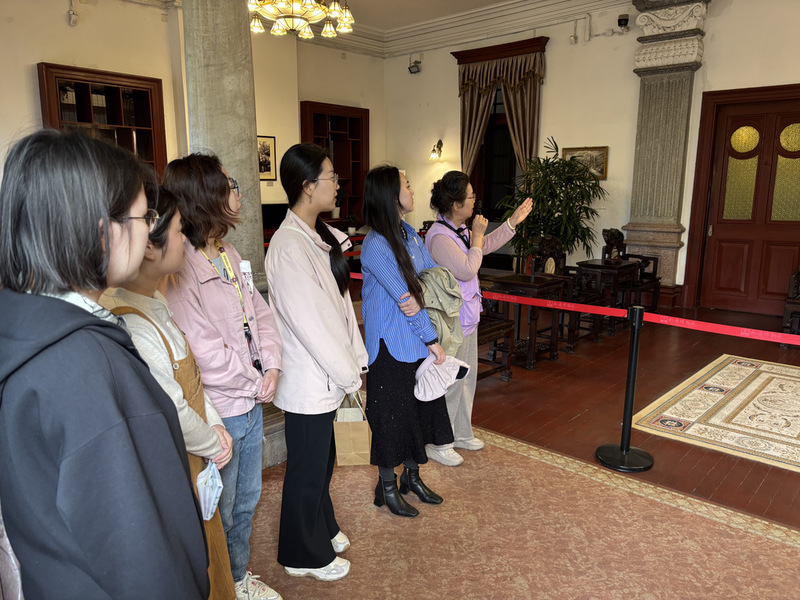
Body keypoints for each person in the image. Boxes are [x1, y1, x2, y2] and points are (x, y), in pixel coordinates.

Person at [0, 130, 209, 598]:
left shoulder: (30, 331)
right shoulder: (83, 366)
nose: (150, 230)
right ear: (101, 230)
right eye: (144, 216)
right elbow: (136, 549)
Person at [100, 186, 237, 600]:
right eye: (179, 230)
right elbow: (172, 406)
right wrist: (212, 439)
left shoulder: (155, 299)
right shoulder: (130, 319)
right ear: (149, 247)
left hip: (198, 448)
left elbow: (190, 377)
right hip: (181, 456)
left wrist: (215, 422)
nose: (184, 239)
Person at [161, 154, 283, 600]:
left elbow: (261, 316)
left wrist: (272, 365)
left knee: (248, 501)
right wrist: (254, 381)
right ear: (203, 196)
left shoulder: (229, 254)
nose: (237, 192)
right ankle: (224, 587)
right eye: (229, 185)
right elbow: (205, 350)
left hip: (250, 400)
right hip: (221, 410)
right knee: (221, 510)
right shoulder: (183, 267)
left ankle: (239, 577)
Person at [265, 143, 368, 581]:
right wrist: (349, 375)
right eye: (331, 177)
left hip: (330, 373)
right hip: (310, 378)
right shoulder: (288, 246)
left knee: (322, 463)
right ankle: (301, 553)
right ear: (307, 186)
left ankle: (322, 527)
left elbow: (341, 312)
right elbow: (314, 324)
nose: (338, 184)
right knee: (307, 469)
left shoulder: (319, 235)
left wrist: (356, 363)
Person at [360, 165, 450, 519]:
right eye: (407, 185)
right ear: (389, 194)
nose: (412, 190)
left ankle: (412, 478)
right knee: (390, 418)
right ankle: (387, 487)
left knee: (417, 413)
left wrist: (422, 304)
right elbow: (406, 298)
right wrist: (432, 338)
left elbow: (429, 280)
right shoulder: (376, 245)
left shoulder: (410, 234)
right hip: (390, 345)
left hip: (415, 341)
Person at [425, 171, 532, 466]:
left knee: (466, 379)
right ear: (455, 203)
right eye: (470, 196)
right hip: (451, 321)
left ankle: (460, 432)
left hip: (467, 315)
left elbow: (481, 248)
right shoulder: (440, 236)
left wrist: (511, 223)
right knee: (450, 381)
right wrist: (478, 237)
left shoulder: (459, 229)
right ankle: (439, 441)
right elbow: (467, 269)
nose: (475, 200)